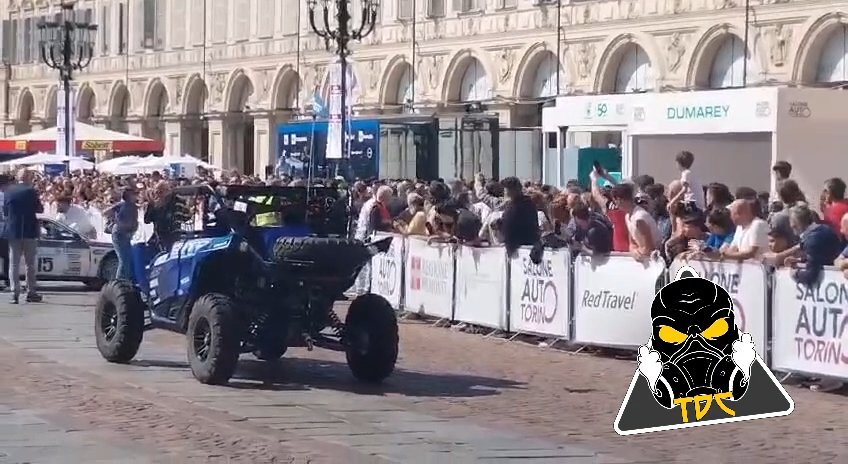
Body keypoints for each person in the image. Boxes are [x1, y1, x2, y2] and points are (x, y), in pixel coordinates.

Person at [4, 169, 43, 303]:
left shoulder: (9, 191)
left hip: (13, 230)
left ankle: (14, 293)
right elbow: (39, 209)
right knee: (29, 264)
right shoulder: (31, 191)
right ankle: (31, 292)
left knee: (13, 264)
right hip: (29, 230)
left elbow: (5, 211)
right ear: (28, 178)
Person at [786, 204, 842, 286]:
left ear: (795, 224)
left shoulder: (811, 240)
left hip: (829, 284)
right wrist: (800, 260)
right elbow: (821, 258)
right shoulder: (826, 229)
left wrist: (795, 274)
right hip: (836, 279)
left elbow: (811, 275)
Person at [611, 183, 661, 262]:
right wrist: (633, 251)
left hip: (655, 260)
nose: (615, 204)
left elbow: (649, 248)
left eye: (615, 201)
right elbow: (632, 242)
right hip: (642, 257)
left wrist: (636, 253)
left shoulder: (639, 218)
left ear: (619, 200)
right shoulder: (627, 216)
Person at [107, 187, 139, 281]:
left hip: (125, 234)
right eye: (134, 194)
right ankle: (119, 281)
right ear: (129, 196)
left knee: (127, 259)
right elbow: (108, 213)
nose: (136, 196)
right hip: (121, 234)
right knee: (124, 260)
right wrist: (118, 222)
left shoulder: (130, 206)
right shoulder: (126, 206)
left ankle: (125, 280)